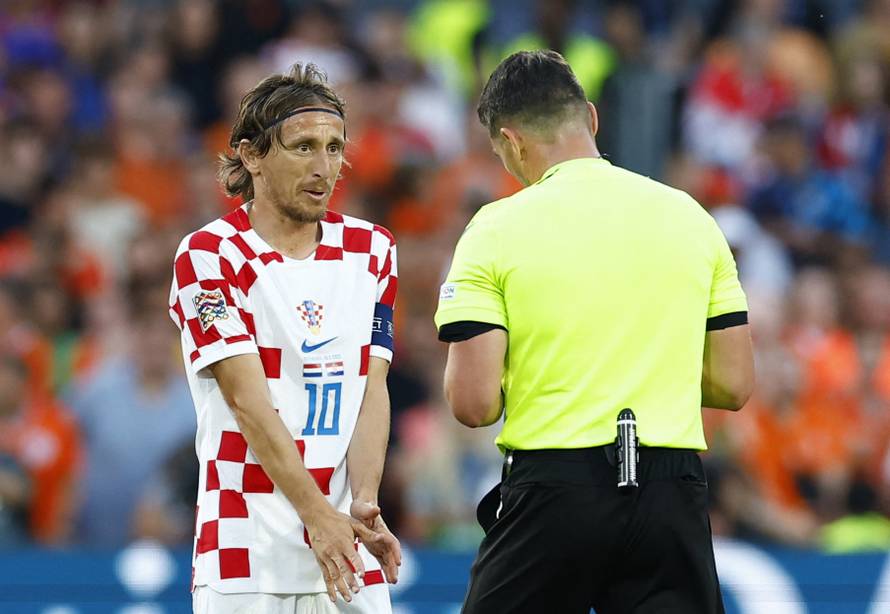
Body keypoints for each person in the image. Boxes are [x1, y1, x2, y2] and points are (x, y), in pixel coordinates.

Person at [434, 50, 754, 614]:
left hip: (555, 488)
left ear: (510, 141)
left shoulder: (495, 228)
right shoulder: (691, 218)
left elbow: (474, 403)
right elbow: (733, 383)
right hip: (670, 492)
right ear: (591, 117)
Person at [168, 63, 401, 613]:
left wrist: (364, 501)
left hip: (346, 549)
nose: (324, 167)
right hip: (245, 556)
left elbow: (371, 389)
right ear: (251, 155)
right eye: (303, 147)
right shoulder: (210, 255)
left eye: (334, 148)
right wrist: (317, 516)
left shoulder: (372, 250)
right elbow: (247, 402)